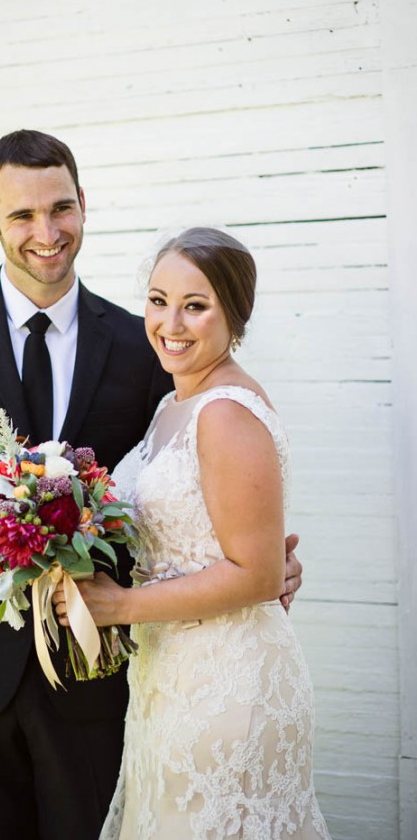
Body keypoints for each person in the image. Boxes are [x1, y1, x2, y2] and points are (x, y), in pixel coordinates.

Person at [0, 132, 303, 840]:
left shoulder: (147, 345)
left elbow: (190, 481)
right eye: (22, 215)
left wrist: (263, 564)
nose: (47, 233)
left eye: (62, 208)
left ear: (83, 206)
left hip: (97, 674)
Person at [54, 227, 330, 839]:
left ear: (235, 313)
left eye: (195, 305)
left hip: (228, 686)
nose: (170, 323)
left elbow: (255, 573)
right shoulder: (173, 402)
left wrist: (120, 605)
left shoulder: (225, 413)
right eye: (158, 300)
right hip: (170, 676)